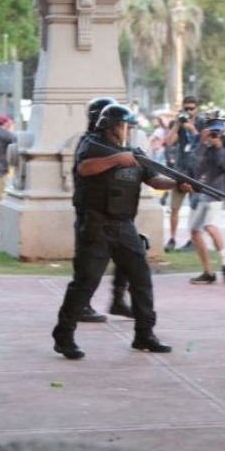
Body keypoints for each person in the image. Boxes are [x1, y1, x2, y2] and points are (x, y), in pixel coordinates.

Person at [52, 104, 188, 360]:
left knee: (141, 278)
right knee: (86, 282)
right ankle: (63, 335)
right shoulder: (91, 145)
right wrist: (116, 159)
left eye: (129, 126)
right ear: (108, 126)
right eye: (123, 125)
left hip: (124, 224)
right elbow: (85, 168)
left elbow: (154, 180)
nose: (127, 130)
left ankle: (144, 334)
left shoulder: (134, 153)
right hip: (96, 224)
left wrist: (177, 184)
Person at [73, 96, 133, 322]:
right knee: (90, 263)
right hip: (92, 211)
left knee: (128, 256)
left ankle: (118, 299)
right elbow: (85, 169)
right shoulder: (89, 144)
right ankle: (81, 306)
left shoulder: (112, 144)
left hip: (115, 210)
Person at [188, 117, 225, 284]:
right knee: (194, 231)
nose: (216, 134)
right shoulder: (201, 142)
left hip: (217, 192)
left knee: (210, 226)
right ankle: (208, 272)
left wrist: (219, 147)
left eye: (219, 131)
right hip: (202, 192)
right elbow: (194, 166)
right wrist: (202, 143)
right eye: (212, 131)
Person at [163, 95, 201, 252]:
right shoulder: (178, 123)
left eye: (192, 109)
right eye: (186, 109)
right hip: (181, 169)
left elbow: (203, 143)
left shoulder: (202, 123)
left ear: (197, 109)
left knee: (195, 208)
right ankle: (172, 239)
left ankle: (193, 241)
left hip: (196, 171)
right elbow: (169, 142)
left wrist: (192, 129)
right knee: (174, 207)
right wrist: (177, 124)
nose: (189, 112)